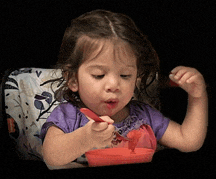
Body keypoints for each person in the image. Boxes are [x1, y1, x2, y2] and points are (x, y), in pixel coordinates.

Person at [40, 9, 208, 168]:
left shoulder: (144, 116)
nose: (114, 85)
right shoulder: (68, 115)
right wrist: (85, 139)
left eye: (125, 75)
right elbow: (51, 155)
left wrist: (197, 97)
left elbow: (189, 141)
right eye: (99, 75)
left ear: (137, 78)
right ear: (73, 79)